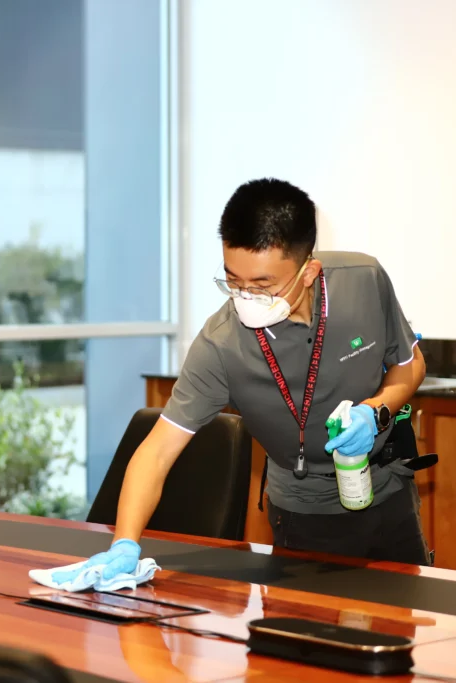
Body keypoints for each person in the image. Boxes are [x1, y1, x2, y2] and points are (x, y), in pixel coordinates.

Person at [55, 178, 430, 583]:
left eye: (263, 285)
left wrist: (376, 412)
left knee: (403, 636)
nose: (246, 297)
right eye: (233, 281)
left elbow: (410, 363)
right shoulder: (222, 344)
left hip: (389, 493)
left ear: (309, 272)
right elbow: (158, 451)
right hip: (302, 512)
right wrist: (124, 542)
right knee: (300, 640)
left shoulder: (364, 279)